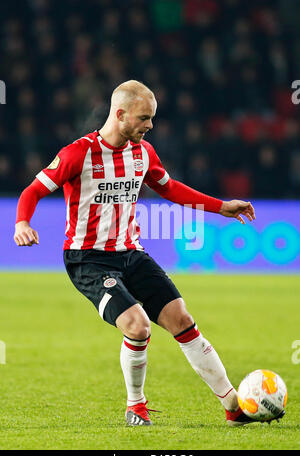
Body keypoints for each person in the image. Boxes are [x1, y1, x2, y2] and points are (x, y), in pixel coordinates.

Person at [15, 80, 260, 427]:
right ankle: (136, 407)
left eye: (152, 119)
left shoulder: (143, 153)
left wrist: (221, 207)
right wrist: (22, 223)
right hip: (88, 259)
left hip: (131, 253)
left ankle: (233, 406)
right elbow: (32, 191)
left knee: (182, 319)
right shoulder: (77, 154)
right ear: (120, 114)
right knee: (138, 325)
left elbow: (170, 189)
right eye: (144, 118)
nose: (150, 125)